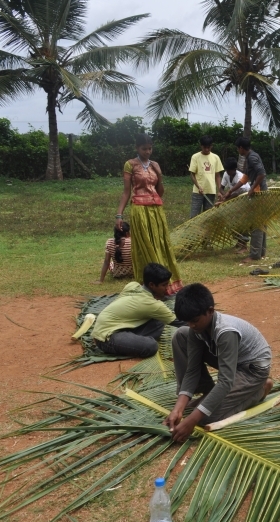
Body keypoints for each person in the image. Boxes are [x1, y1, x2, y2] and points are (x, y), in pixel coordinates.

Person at [165, 283, 273, 442]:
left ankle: (259, 390)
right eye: (188, 322)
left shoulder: (225, 332)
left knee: (206, 417)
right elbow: (192, 370)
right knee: (181, 335)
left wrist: (191, 421)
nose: (191, 325)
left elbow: (225, 381)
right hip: (232, 360)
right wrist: (178, 409)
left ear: (210, 311)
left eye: (195, 320)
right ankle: (208, 392)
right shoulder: (198, 328)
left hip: (252, 370)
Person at [115, 133, 183, 295]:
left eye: (150, 148)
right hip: (139, 209)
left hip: (156, 209)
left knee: (160, 243)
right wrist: (119, 215)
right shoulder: (130, 165)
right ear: (137, 148)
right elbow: (126, 192)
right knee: (146, 244)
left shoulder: (155, 165)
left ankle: (164, 282)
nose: (147, 152)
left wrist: (159, 175)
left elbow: (160, 192)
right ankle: (149, 284)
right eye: (144, 149)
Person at [91, 263, 186, 359]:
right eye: (164, 285)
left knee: (159, 320)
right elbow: (181, 322)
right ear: (152, 285)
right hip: (106, 337)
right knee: (151, 346)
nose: (167, 288)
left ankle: (133, 342)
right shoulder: (151, 304)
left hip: (111, 326)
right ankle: (133, 344)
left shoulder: (132, 285)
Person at [225, 137, 268, 263]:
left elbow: (262, 174)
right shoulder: (250, 157)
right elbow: (245, 177)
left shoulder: (252, 157)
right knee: (262, 222)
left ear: (241, 148)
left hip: (259, 194)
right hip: (260, 192)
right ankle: (261, 252)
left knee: (256, 223)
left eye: (237, 149)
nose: (238, 151)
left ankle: (254, 255)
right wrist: (231, 190)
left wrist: (252, 188)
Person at [218, 156, 251, 253]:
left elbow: (236, 194)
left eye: (230, 171)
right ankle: (239, 242)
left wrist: (224, 200)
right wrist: (224, 195)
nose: (228, 172)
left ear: (235, 169)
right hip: (235, 200)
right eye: (227, 170)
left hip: (245, 200)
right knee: (233, 221)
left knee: (242, 223)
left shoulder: (240, 177)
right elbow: (221, 188)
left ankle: (244, 246)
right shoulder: (226, 174)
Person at [188, 135, 224, 218]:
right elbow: (192, 174)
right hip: (198, 192)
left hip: (211, 191)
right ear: (201, 146)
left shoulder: (216, 157)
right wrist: (198, 187)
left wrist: (220, 190)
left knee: (207, 217)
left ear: (211, 146)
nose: (207, 149)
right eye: (204, 147)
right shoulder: (195, 157)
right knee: (194, 216)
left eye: (209, 147)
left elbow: (217, 175)